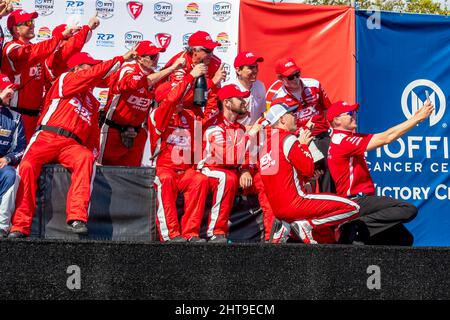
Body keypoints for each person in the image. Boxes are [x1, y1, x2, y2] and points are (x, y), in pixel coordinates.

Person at [8, 49, 135, 238]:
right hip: (46, 137)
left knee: (85, 157)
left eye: (93, 66)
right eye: (89, 65)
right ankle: (20, 225)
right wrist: (119, 59)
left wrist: (94, 155)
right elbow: (90, 75)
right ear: (77, 68)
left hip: (71, 145)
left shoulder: (92, 101)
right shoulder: (65, 79)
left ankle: (77, 217)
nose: (93, 69)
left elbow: (93, 135)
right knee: (26, 165)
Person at [327, 100, 434, 244]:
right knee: (408, 209)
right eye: (350, 113)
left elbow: (386, 135)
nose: (354, 116)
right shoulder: (341, 140)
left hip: (359, 201)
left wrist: (414, 119)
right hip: (354, 201)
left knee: (404, 239)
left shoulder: (346, 138)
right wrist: (416, 119)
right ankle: (353, 226)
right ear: (336, 120)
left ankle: (356, 231)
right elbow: (387, 137)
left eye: (355, 112)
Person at [258, 97, 360, 244]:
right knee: (353, 207)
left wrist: (307, 179)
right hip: (297, 203)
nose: (295, 117)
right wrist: (304, 145)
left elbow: (279, 178)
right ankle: (307, 225)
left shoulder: (265, 146)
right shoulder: (288, 139)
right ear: (282, 120)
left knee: (326, 238)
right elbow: (307, 168)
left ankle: (287, 225)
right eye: (291, 114)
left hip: (278, 211)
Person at [98, 40, 185, 166]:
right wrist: (172, 68)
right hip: (113, 130)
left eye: (157, 56)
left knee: (132, 175)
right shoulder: (128, 69)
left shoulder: (157, 77)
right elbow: (138, 83)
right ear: (139, 58)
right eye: (152, 56)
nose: (156, 59)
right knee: (103, 171)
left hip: (136, 133)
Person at [149, 64, 209, 242]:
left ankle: (191, 233)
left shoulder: (189, 116)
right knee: (165, 181)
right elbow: (170, 102)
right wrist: (190, 76)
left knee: (200, 179)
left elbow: (197, 144)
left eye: (183, 97)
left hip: (185, 171)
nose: (182, 100)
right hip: (163, 169)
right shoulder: (158, 114)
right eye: (178, 97)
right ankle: (171, 235)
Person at [2, 9, 77, 142]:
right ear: (16, 29)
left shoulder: (34, 49)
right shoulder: (11, 48)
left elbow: (49, 75)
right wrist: (59, 37)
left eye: (33, 22)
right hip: (15, 116)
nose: (33, 25)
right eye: (28, 22)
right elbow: (30, 53)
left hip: (35, 118)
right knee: (13, 159)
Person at [198, 84, 260, 243]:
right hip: (209, 169)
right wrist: (249, 136)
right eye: (239, 98)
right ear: (227, 103)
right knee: (227, 178)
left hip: (229, 169)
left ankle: (272, 234)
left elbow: (246, 154)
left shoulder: (238, 126)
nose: (244, 101)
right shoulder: (215, 125)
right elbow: (225, 156)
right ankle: (216, 232)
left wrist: (245, 169)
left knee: (261, 178)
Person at [271, 57, 334, 193]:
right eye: (290, 77)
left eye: (297, 74)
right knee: (307, 177)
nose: (295, 79)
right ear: (281, 78)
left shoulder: (314, 85)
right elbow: (278, 127)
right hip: (300, 141)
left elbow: (328, 109)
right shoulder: (278, 99)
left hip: (321, 136)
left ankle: (332, 208)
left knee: (330, 172)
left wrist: (334, 131)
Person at [160, 30, 225, 119]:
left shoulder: (215, 62)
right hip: (174, 111)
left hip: (197, 110)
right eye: (208, 51)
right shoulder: (180, 63)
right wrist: (212, 82)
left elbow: (214, 96)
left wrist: (206, 120)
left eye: (213, 50)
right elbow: (179, 97)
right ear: (195, 51)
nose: (212, 54)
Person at [44, 14, 101, 89]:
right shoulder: (55, 55)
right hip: (53, 96)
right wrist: (88, 27)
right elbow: (72, 47)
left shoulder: (70, 58)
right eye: (69, 38)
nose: (71, 40)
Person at [0, 73, 25, 237]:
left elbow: (21, 147)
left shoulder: (15, 118)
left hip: (1, 166)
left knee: (11, 174)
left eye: (12, 90)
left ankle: (2, 226)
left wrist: (7, 159)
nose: (11, 93)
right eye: (7, 89)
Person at [233, 51, 266, 127]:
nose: (255, 70)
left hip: (255, 134)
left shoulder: (260, 86)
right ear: (238, 70)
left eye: (256, 66)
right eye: (250, 67)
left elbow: (261, 114)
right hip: (236, 135)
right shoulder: (230, 89)